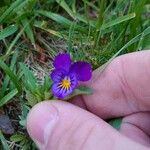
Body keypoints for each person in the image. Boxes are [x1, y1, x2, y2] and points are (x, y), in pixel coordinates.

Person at [27, 51, 150, 150]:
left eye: (68, 81)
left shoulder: (66, 83)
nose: (66, 81)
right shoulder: (65, 83)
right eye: (65, 80)